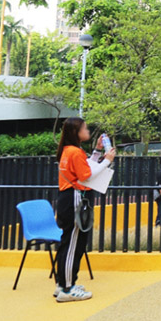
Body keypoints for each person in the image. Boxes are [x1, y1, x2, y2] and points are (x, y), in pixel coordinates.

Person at [55, 118, 114, 302]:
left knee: (69, 242)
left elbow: (84, 167)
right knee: (73, 244)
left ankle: (64, 283)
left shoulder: (68, 150)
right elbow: (86, 176)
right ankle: (67, 288)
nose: (88, 130)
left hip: (67, 198)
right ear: (76, 132)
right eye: (85, 128)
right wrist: (107, 161)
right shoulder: (75, 152)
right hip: (74, 199)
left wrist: (97, 152)